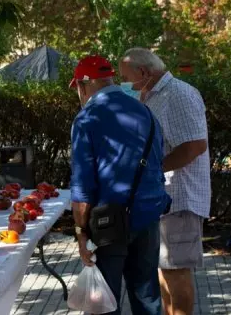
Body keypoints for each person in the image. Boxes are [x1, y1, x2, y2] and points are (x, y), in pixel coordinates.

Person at [69, 55, 171, 315]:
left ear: (83, 84)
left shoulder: (86, 118)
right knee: (147, 298)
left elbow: (83, 186)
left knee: (104, 302)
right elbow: (158, 161)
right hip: (148, 215)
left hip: (109, 224)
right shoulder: (145, 111)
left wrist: (81, 233)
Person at [118, 48, 211, 315]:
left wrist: (153, 170)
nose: (125, 83)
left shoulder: (178, 94)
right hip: (162, 198)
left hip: (180, 197)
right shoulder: (151, 96)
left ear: (144, 72)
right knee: (164, 271)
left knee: (176, 273)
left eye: (126, 77)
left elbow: (194, 145)